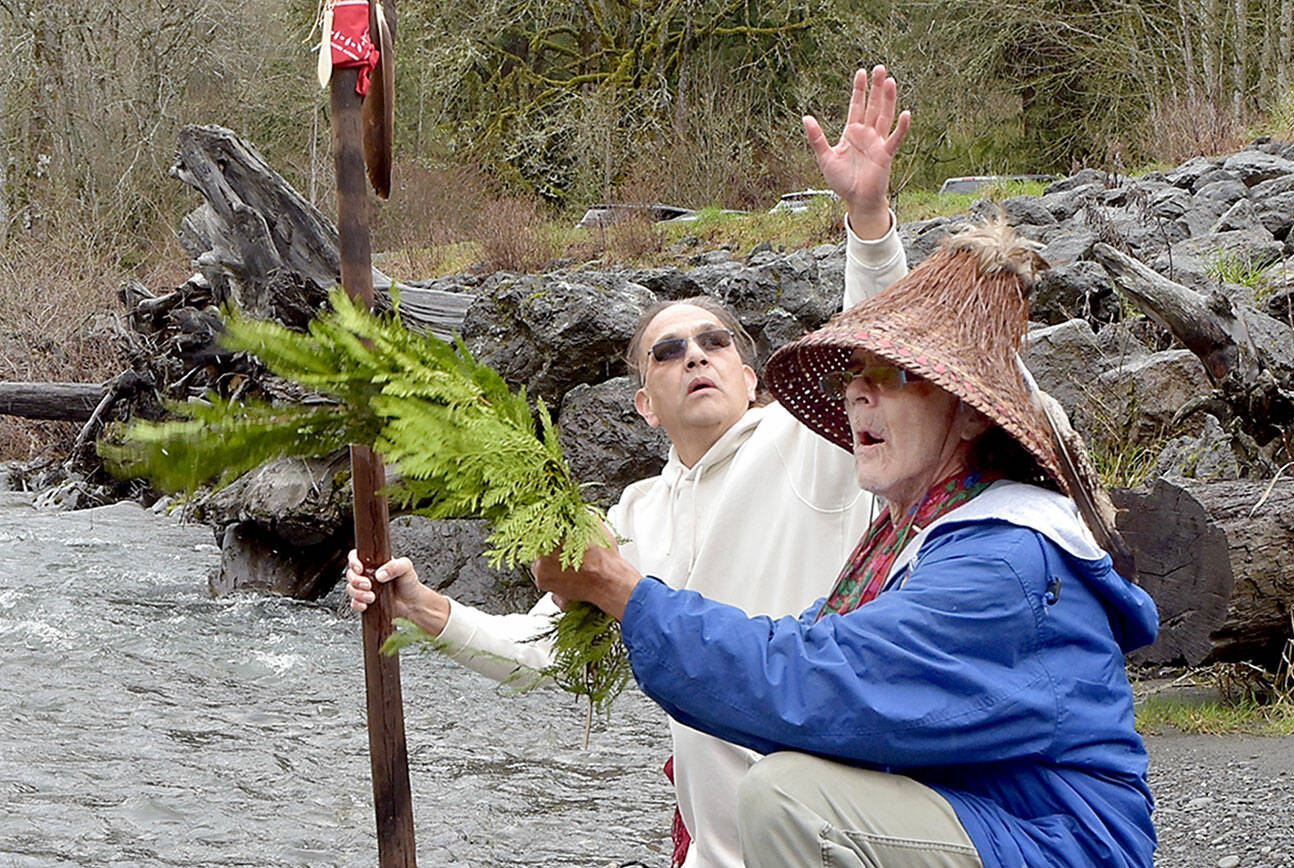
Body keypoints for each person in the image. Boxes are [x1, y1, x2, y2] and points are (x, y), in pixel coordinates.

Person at [347, 66, 913, 868]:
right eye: (669, 351)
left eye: (716, 342)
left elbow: (879, 352)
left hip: (831, 843)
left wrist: (867, 217)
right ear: (644, 402)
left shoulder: (813, 445)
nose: (696, 356)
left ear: (752, 379)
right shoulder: (635, 517)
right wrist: (423, 609)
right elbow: (541, 651)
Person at [532, 218, 1161, 867]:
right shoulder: (907, 542)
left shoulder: (1003, 558)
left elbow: (812, 684)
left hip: (1056, 841)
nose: (858, 392)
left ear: (971, 413)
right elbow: (802, 658)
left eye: (891, 374)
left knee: (789, 798)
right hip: (993, 822)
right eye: (853, 375)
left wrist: (618, 589)